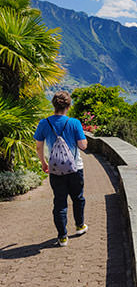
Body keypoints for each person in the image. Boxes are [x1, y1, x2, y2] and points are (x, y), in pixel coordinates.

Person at [34, 91, 88, 247]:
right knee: (78, 198)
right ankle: (79, 226)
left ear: (54, 105)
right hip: (75, 168)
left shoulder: (44, 123)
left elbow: (39, 147)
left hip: (55, 170)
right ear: (68, 106)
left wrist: (44, 163)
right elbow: (83, 146)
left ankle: (62, 236)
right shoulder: (74, 122)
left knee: (59, 202)